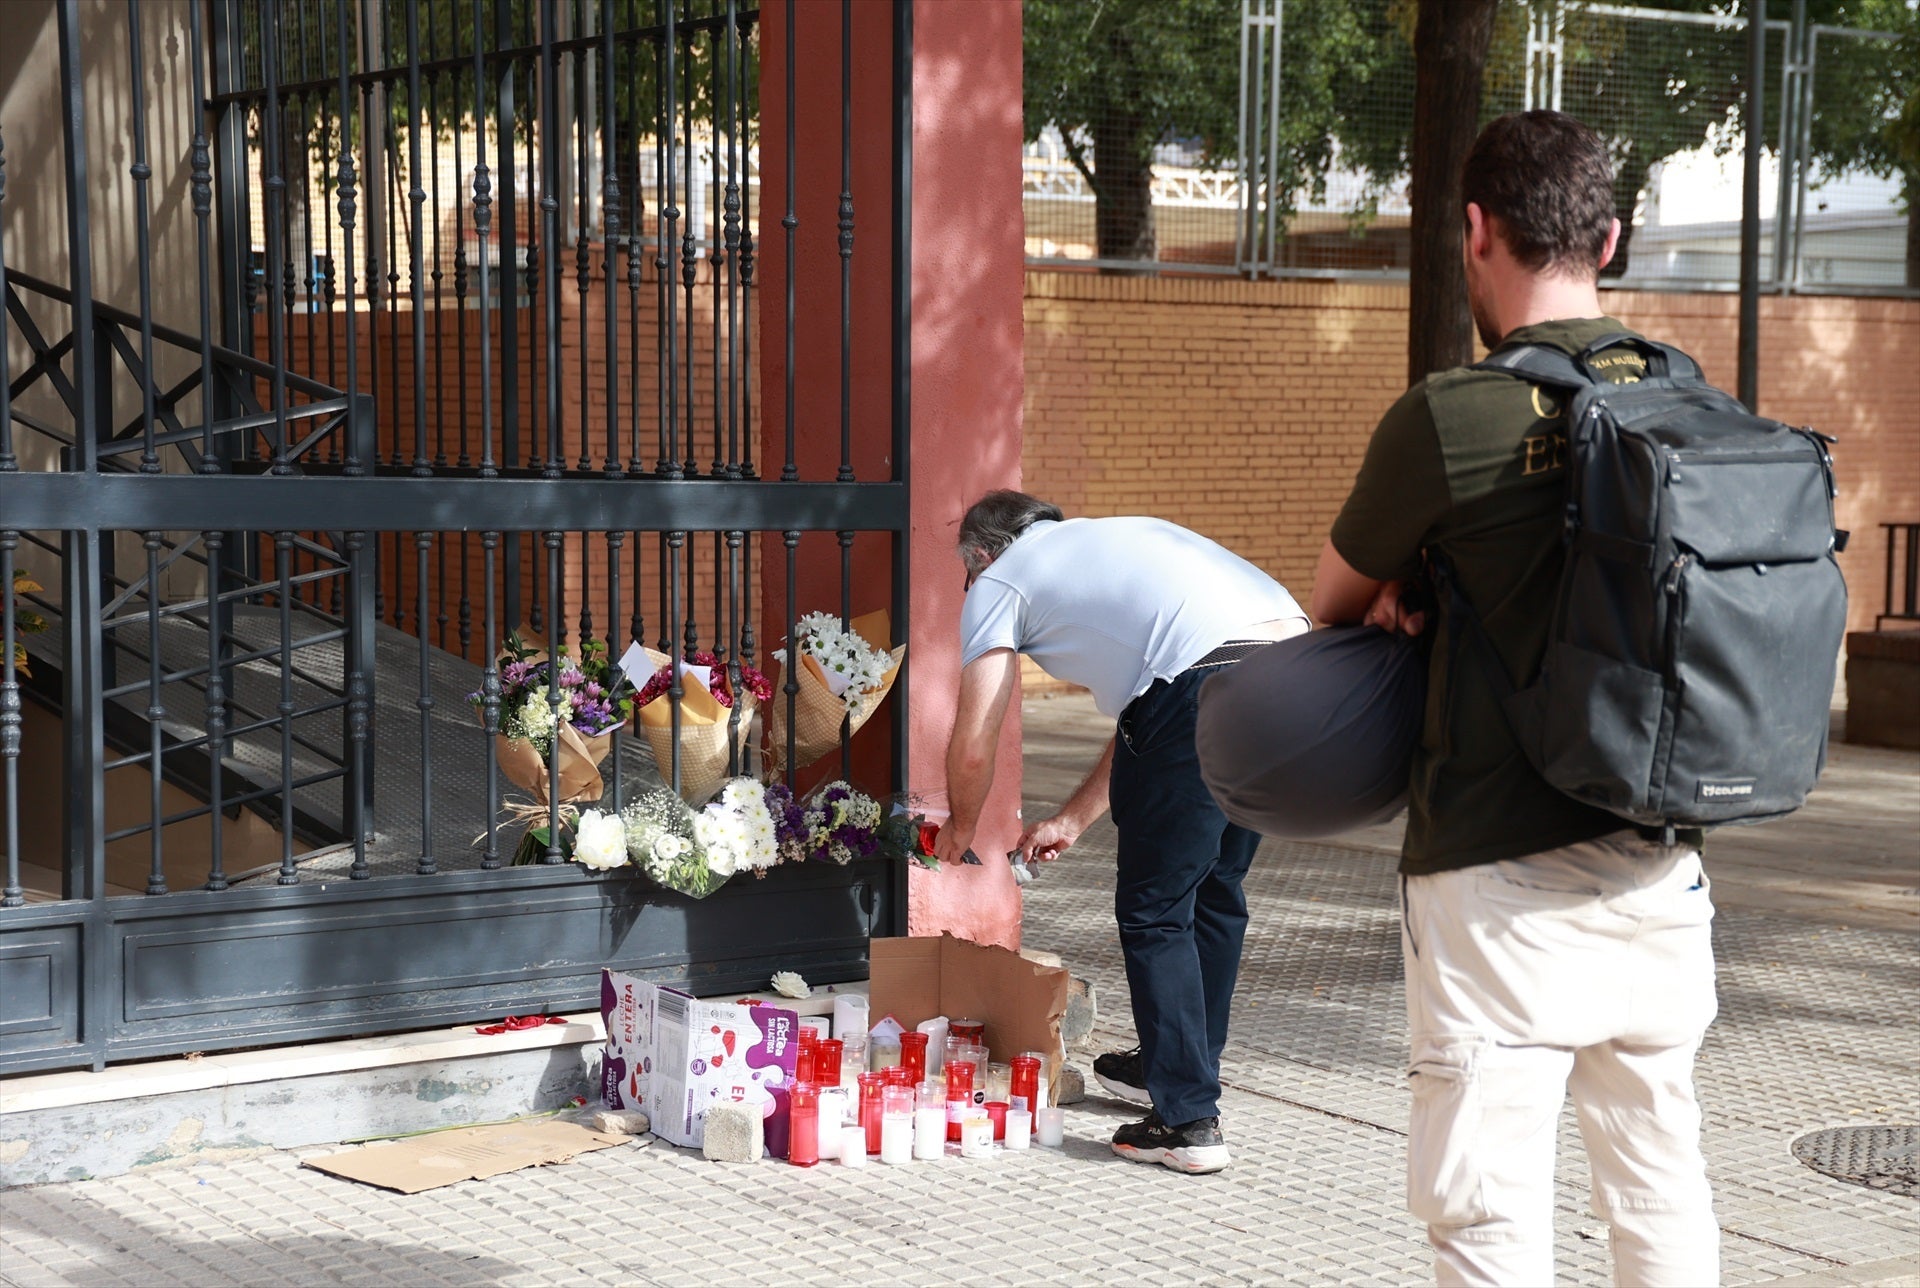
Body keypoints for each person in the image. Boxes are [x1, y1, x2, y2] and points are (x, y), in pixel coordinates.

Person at [1313, 111, 1720, 1286]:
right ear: (1612, 234)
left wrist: (1407, 584)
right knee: (1661, 1197)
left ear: (1475, 230)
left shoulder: (1452, 415)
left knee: (1489, 1220)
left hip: (1499, 894)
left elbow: (1331, 603)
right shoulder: (1687, 396)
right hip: (1664, 877)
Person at [935, 490, 1309, 1174]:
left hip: (1204, 685)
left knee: (1156, 908)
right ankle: (1179, 1064)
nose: (971, 587)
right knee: (1215, 887)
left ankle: (1188, 1120)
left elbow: (974, 737)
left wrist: (959, 829)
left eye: (969, 572)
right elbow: (1153, 705)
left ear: (984, 555)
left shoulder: (1003, 579)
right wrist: (1074, 817)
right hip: (1296, 670)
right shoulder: (1106, 543)